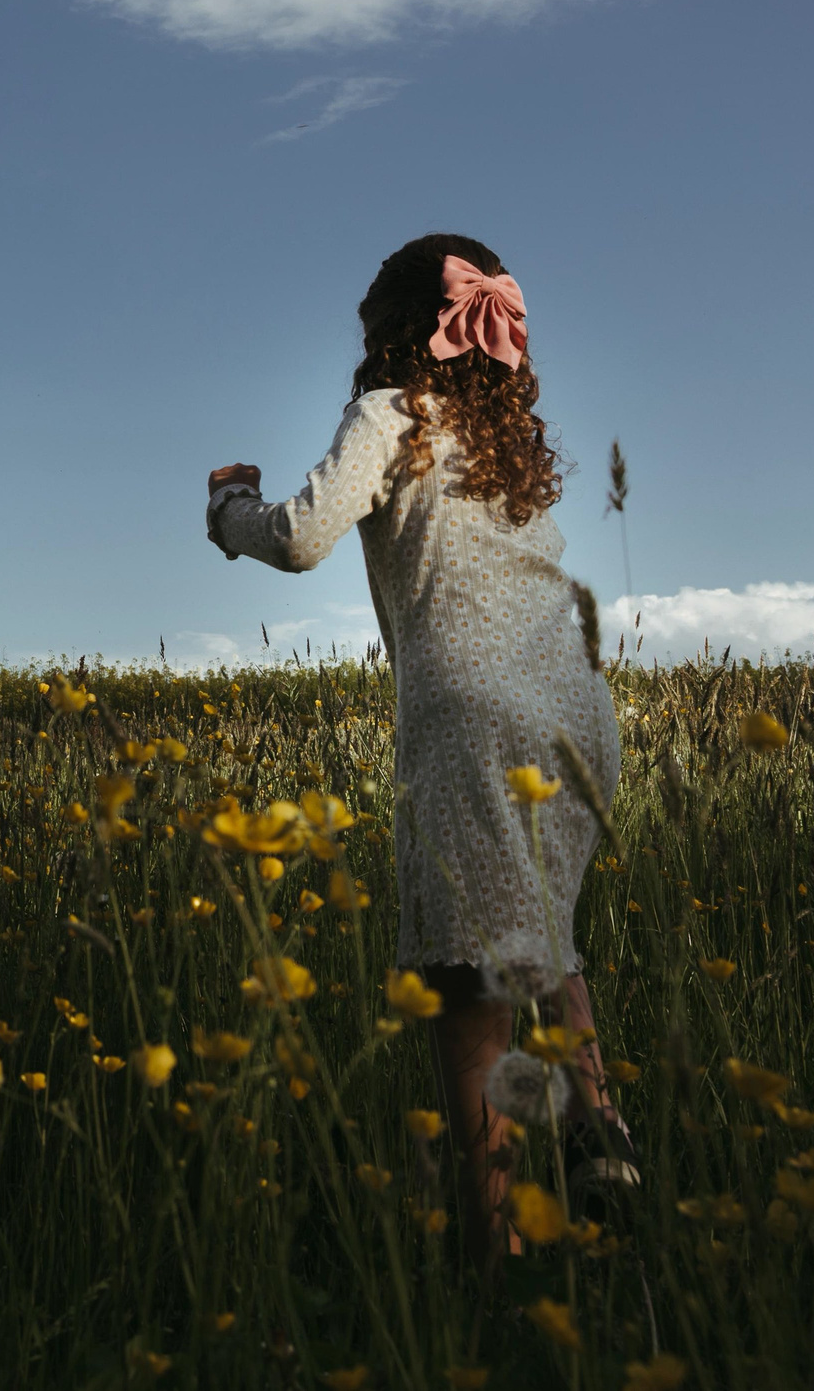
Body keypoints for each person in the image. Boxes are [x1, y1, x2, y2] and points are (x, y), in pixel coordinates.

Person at [202, 234, 634, 1269]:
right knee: (540, 935)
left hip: (471, 719)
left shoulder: (391, 414)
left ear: (394, 331)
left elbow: (303, 535)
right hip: (576, 713)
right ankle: (598, 1132)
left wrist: (227, 510)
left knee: (459, 990)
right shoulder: (509, 443)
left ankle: (494, 1267)